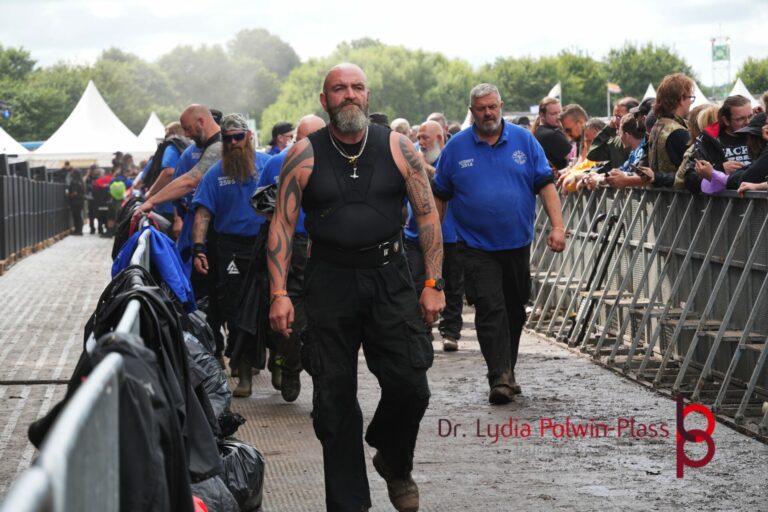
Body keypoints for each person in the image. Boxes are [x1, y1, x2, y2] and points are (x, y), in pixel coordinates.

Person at [268, 63, 444, 512]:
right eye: (339, 89)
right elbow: (283, 226)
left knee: (411, 386)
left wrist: (433, 282)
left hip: (390, 279)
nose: (349, 95)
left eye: (357, 87)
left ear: (368, 96)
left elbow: (427, 217)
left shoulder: (401, 148)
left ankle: (394, 459)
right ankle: (349, 505)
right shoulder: (303, 154)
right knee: (334, 399)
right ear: (324, 99)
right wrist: (279, 293)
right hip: (329, 283)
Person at [433, 83, 566, 405]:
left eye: (493, 106)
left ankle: (508, 368)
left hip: (517, 243)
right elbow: (440, 193)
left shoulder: (524, 140)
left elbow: (545, 184)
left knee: (515, 308)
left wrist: (558, 227)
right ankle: (499, 377)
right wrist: (435, 238)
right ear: (472, 111)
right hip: (475, 246)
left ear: (501, 105)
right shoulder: (456, 148)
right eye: (481, 108)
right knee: (490, 308)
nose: (488, 113)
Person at [191, 114, 266, 397]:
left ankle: (282, 366)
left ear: (249, 137)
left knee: (271, 304)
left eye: (238, 136)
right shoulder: (215, 174)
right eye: (228, 138)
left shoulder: (268, 165)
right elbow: (202, 213)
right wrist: (198, 248)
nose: (234, 143)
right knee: (236, 307)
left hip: (264, 245)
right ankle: (243, 371)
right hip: (230, 248)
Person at [255, 113, 326, 402]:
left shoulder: (337, 161)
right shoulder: (277, 161)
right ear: (295, 138)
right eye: (303, 139)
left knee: (326, 322)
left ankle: (325, 391)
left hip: (326, 245)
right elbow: (258, 202)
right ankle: (291, 364)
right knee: (289, 319)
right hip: (291, 246)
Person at [691, 95, 754, 194]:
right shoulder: (708, 139)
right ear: (726, 120)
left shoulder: (759, 136)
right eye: (740, 119)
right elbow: (690, 178)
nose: (748, 122)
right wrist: (720, 169)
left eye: (751, 116)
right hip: (724, 205)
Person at [647, 73, 694, 187]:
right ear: (682, 99)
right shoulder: (678, 132)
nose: (691, 102)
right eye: (690, 97)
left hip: (661, 199)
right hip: (680, 201)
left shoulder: (657, 125)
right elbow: (690, 172)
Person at [587, 97, 639, 168]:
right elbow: (592, 155)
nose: (614, 121)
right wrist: (608, 130)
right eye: (614, 116)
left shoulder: (643, 139)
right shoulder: (616, 142)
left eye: (618, 117)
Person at [532, 96, 571, 171]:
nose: (559, 116)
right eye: (554, 114)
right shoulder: (552, 135)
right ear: (542, 115)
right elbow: (575, 158)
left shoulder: (536, 132)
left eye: (560, 112)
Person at [66, 169, 85, 235]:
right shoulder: (81, 182)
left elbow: (74, 193)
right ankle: (79, 230)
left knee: (76, 216)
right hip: (81, 201)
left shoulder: (74, 182)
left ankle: (77, 230)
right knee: (79, 216)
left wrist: (68, 195)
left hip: (75, 202)